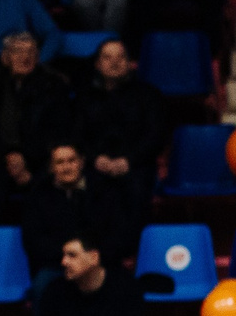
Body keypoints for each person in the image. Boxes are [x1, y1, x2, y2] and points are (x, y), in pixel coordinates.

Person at [0, 32, 72, 228]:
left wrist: (25, 159)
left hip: (40, 159)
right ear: (5, 57)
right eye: (18, 51)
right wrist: (8, 157)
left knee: (53, 177)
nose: (25, 57)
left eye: (31, 52)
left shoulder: (54, 85)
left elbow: (58, 131)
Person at [72, 38, 168, 233]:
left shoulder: (148, 95)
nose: (114, 62)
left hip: (136, 165)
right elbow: (76, 135)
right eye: (107, 57)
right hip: (95, 165)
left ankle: (132, 253)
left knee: (136, 190)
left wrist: (129, 161)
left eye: (120, 57)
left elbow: (156, 135)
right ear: (98, 64)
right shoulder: (84, 98)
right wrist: (95, 159)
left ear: (130, 63)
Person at [20, 142, 127, 288]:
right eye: (60, 162)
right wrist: (70, 258)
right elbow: (33, 241)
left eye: (71, 160)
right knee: (42, 285)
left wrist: (91, 258)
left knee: (124, 285)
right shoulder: (38, 196)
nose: (66, 167)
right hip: (57, 266)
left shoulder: (104, 191)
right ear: (51, 167)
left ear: (81, 162)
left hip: (99, 263)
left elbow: (118, 233)